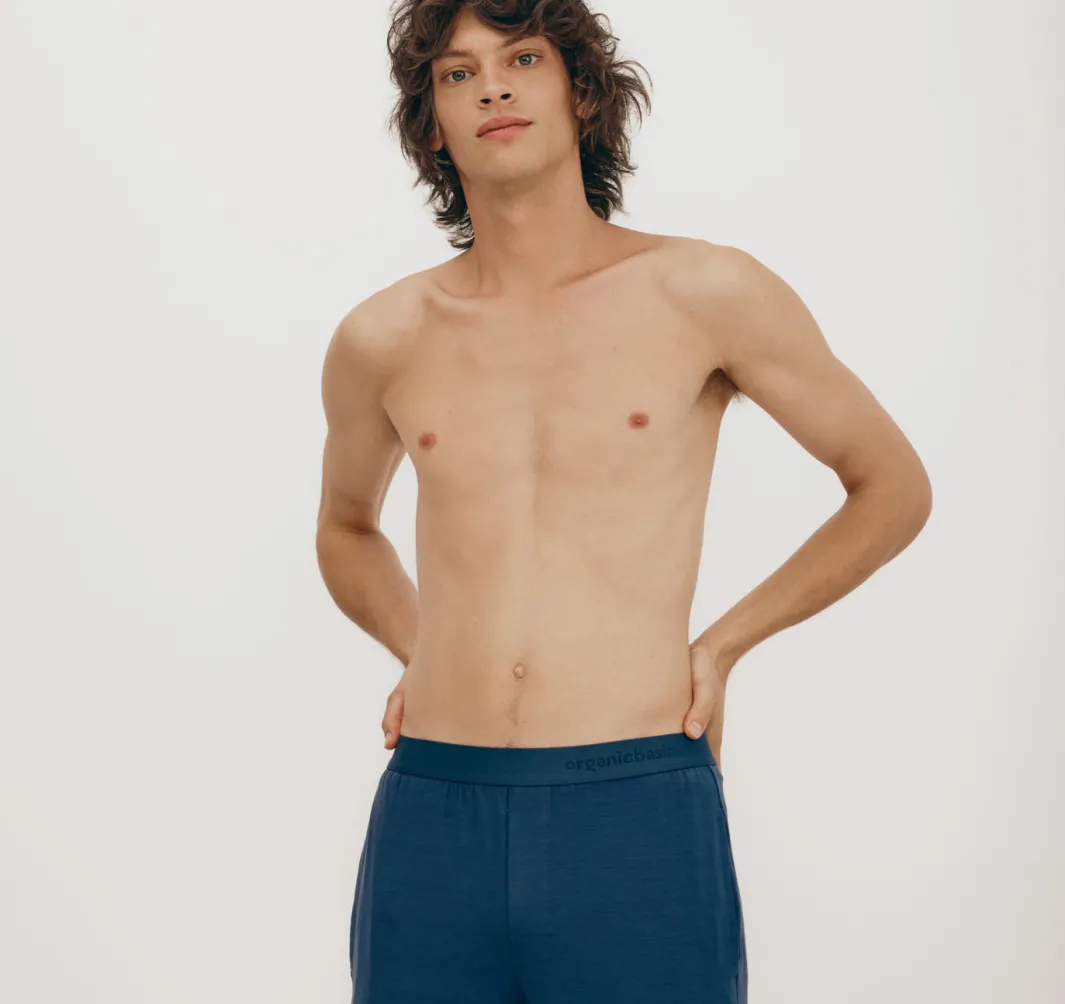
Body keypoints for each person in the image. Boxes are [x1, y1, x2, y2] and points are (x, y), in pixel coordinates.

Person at [315, 2, 933, 1001]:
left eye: (522, 58)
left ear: (584, 94)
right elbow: (345, 528)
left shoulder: (702, 290)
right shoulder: (383, 336)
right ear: (431, 126)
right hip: (434, 805)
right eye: (458, 73)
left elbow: (891, 486)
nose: (493, 87)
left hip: (633, 798)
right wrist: (421, 646)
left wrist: (720, 646)